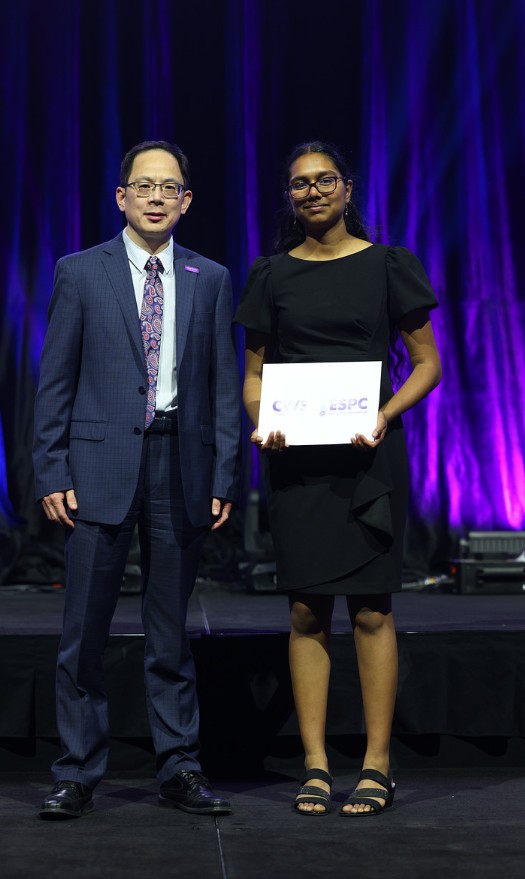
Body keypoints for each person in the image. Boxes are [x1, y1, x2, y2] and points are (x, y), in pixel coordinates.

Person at [33, 140, 241, 819]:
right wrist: (52, 466)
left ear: (185, 200)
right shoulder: (79, 272)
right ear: (121, 197)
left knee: (168, 631)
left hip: (179, 462)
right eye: (143, 185)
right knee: (83, 632)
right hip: (97, 467)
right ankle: (75, 769)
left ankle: (178, 766)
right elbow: (55, 380)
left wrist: (223, 472)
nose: (156, 196)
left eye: (169, 187)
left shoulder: (208, 276)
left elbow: (219, 386)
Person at [234, 141, 441, 817]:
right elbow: (255, 375)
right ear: (287, 197)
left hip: (366, 459)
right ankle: (316, 764)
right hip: (299, 462)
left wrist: (383, 414)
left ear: (347, 188)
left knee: (373, 610)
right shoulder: (270, 274)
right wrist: (261, 422)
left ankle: (376, 763)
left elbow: (425, 364)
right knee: (304, 612)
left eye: (324, 180)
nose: (312, 191)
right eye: (298, 184)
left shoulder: (386, 265)